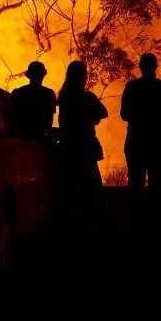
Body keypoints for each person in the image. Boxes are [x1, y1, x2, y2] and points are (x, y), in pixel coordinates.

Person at [120, 53, 161, 233]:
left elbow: (124, 114)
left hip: (136, 141)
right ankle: (156, 225)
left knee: (135, 185)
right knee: (157, 186)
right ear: (155, 67)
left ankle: (135, 225)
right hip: (158, 143)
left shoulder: (132, 86)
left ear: (140, 67)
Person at [56, 60, 108, 233]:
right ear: (82, 77)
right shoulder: (87, 97)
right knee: (93, 191)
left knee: (69, 190)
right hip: (85, 149)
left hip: (67, 149)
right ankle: (90, 226)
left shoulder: (62, 97)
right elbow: (103, 113)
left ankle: (69, 227)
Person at [10, 60, 56, 139]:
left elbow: (11, 117)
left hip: (20, 137)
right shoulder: (49, 94)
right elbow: (49, 120)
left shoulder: (17, 92)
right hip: (38, 138)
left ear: (29, 75)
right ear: (43, 75)